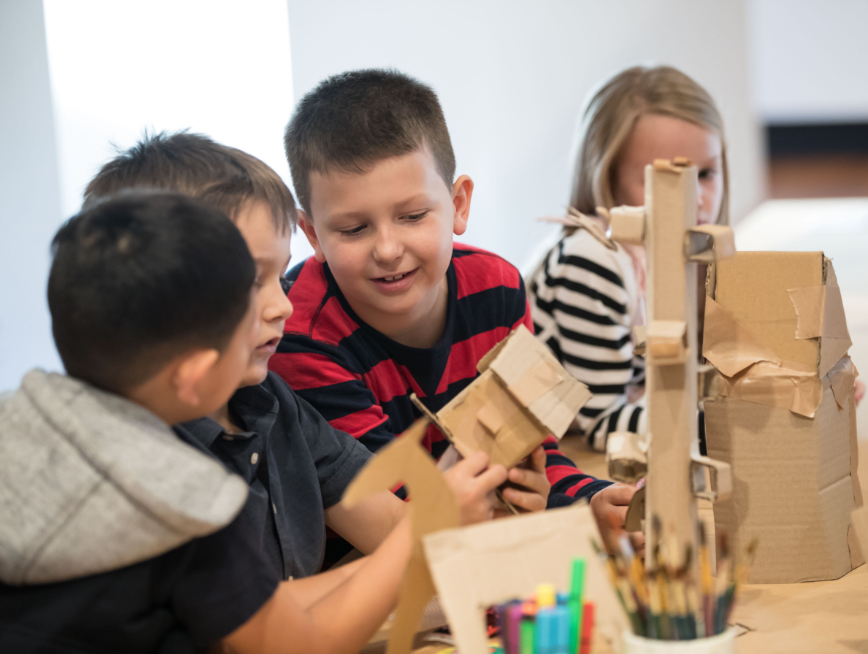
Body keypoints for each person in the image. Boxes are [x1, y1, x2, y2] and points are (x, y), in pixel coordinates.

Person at [0, 191, 506, 654]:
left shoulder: (24, 426)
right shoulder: (185, 506)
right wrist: (420, 533)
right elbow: (295, 645)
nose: (283, 306)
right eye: (245, 315)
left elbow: (272, 607)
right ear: (195, 378)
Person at [273, 68, 630, 536]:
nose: (387, 249)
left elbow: (530, 447)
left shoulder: (499, 288)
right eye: (354, 229)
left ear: (459, 204)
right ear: (313, 235)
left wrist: (585, 500)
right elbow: (395, 505)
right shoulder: (300, 334)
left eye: (413, 216)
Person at [82, 132, 407, 578]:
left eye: (280, 275)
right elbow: (260, 628)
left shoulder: (273, 401)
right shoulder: (135, 459)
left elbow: (400, 535)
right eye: (253, 282)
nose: (284, 307)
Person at [527, 65, 729, 453]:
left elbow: (693, 378)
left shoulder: (693, 253)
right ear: (607, 178)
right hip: (559, 455)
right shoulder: (594, 262)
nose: (699, 198)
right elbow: (603, 423)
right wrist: (736, 420)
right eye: (671, 178)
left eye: (707, 173)